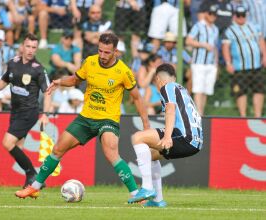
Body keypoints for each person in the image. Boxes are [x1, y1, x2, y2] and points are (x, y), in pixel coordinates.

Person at [15, 32, 150, 199]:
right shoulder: (90, 62)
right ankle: (34, 187)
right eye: (100, 50)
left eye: (107, 52)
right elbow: (75, 80)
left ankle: (137, 195)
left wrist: (146, 124)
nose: (102, 55)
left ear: (115, 51)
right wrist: (59, 81)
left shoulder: (123, 71)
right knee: (58, 148)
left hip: (108, 120)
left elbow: (137, 98)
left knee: (111, 152)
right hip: (86, 117)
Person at [128, 63, 203, 207]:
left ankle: (147, 188)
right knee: (151, 154)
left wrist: (167, 136)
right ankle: (157, 200)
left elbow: (170, 110)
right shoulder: (182, 90)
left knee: (138, 137)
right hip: (195, 141)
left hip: (185, 136)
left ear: (158, 79)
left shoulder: (167, 86)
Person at [0, 33, 51, 188]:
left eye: (34, 47)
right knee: (18, 149)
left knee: (7, 143)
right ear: (22, 46)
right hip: (15, 112)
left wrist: (45, 115)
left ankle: (32, 175)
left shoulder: (39, 69)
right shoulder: (13, 63)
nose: (30, 50)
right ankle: (33, 182)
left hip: (29, 112)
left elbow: (48, 92)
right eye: (28, 46)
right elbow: (5, 80)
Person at [222, 5, 266, 117]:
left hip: (256, 65)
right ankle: (242, 116)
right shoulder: (230, 30)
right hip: (239, 67)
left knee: (259, 90)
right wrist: (228, 63)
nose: (241, 18)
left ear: (246, 15)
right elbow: (225, 47)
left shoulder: (254, 27)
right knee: (241, 92)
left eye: (243, 15)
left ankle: (258, 115)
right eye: (239, 15)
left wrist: (265, 56)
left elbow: (261, 41)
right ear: (235, 16)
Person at [186, 4, 219, 116]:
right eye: (210, 14)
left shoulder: (215, 29)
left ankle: (202, 112)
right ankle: (198, 113)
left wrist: (216, 63)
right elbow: (188, 40)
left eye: (214, 14)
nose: (212, 16)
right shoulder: (198, 26)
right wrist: (202, 45)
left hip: (210, 64)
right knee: (198, 89)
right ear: (206, 14)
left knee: (206, 90)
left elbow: (215, 47)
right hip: (199, 63)